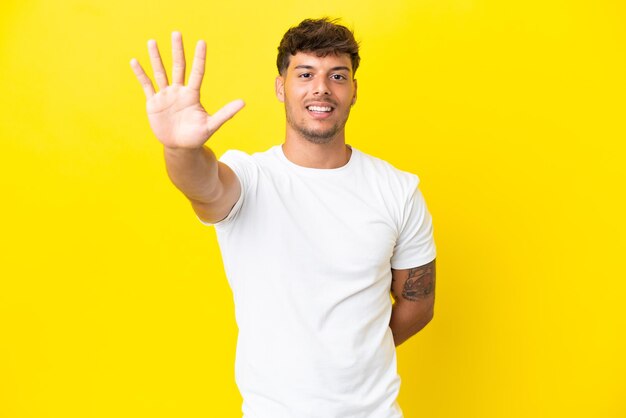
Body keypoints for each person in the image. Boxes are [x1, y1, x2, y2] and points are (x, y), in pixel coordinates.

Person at [130, 17, 436, 418]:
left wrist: (356, 352)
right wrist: (180, 150)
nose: (321, 88)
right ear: (281, 86)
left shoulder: (398, 190)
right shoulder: (250, 179)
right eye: (305, 73)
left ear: (354, 90)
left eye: (337, 76)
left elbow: (418, 305)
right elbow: (203, 186)